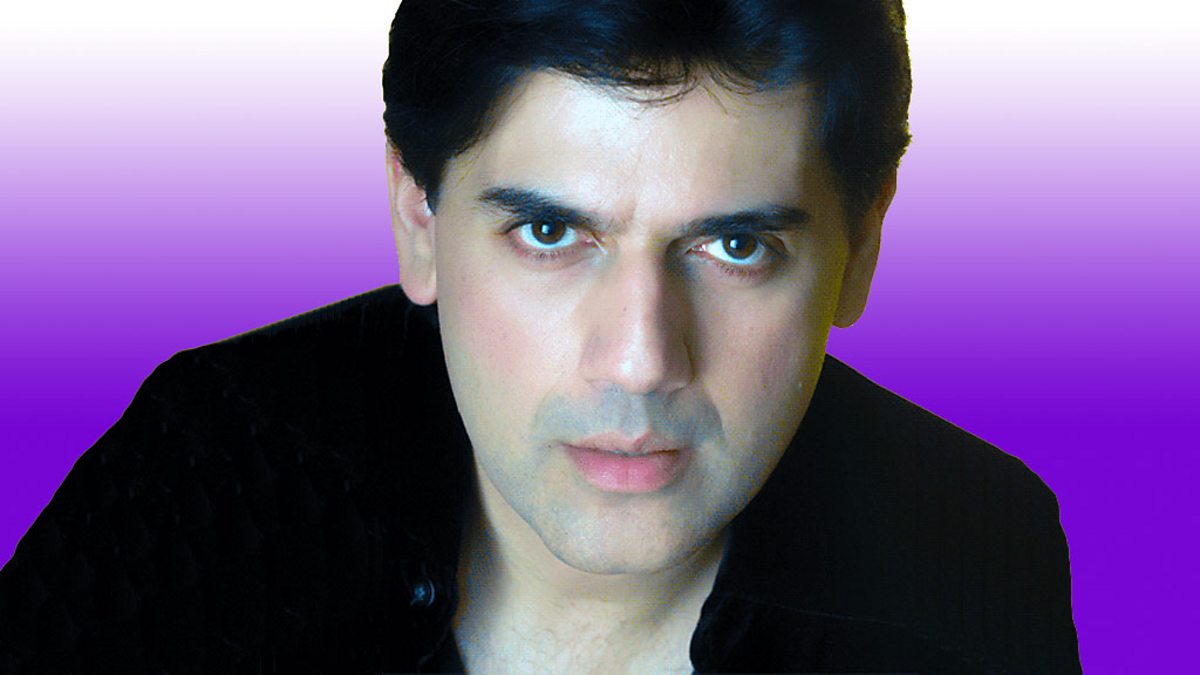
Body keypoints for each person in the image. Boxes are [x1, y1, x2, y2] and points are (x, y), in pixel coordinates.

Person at [0, 0, 1081, 672]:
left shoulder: (971, 564)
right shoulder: (211, 467)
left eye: (736, 246)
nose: (640, 359)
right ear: (418, 220)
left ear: (862, 246)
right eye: (552, 233)